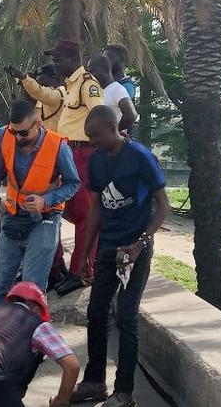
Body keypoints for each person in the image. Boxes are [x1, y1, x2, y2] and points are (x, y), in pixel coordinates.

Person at [71, 105, 169, 407]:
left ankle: (125, 392)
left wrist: (139, 245)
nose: (92, 143)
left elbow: (162, 205)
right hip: (108, 247)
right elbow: (97, 207)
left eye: (96, 136)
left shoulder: (140, 157)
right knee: (97, 313)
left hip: (134, 249)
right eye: (89, 138)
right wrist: (85, 253)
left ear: (113, 127)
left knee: (126, 316)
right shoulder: (98, 160)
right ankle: (94, 382)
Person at [9, 40, 104, 293]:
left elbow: (100, 114)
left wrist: (96, 146)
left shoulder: (87, 84)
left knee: (84, 215)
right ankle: (62, 269)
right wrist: (24, 79)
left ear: (72, 58)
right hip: (68, 152)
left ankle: (81, 271)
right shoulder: (69, 88)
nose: (54, 63)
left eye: (58, 59)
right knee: (60, 210)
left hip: (83, 151)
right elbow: (43, 94)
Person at [0, 99, 80, 304]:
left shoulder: (58, 146)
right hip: (14, 217)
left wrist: (47, 200)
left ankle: (33, 332)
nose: (17, 137)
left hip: (45, 218)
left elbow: (73, 184)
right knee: (1, 286)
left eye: (23, 133)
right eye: (13, 131)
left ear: (38, 124)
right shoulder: (3, 136)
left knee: (32, 287)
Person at [86, 55, 138, 131]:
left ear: (105, 70)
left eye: (92, 71)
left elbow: (131, 115)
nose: (90, 75)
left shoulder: (117, 89)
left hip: (109, 142)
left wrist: (114, 132)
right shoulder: (98, 91)